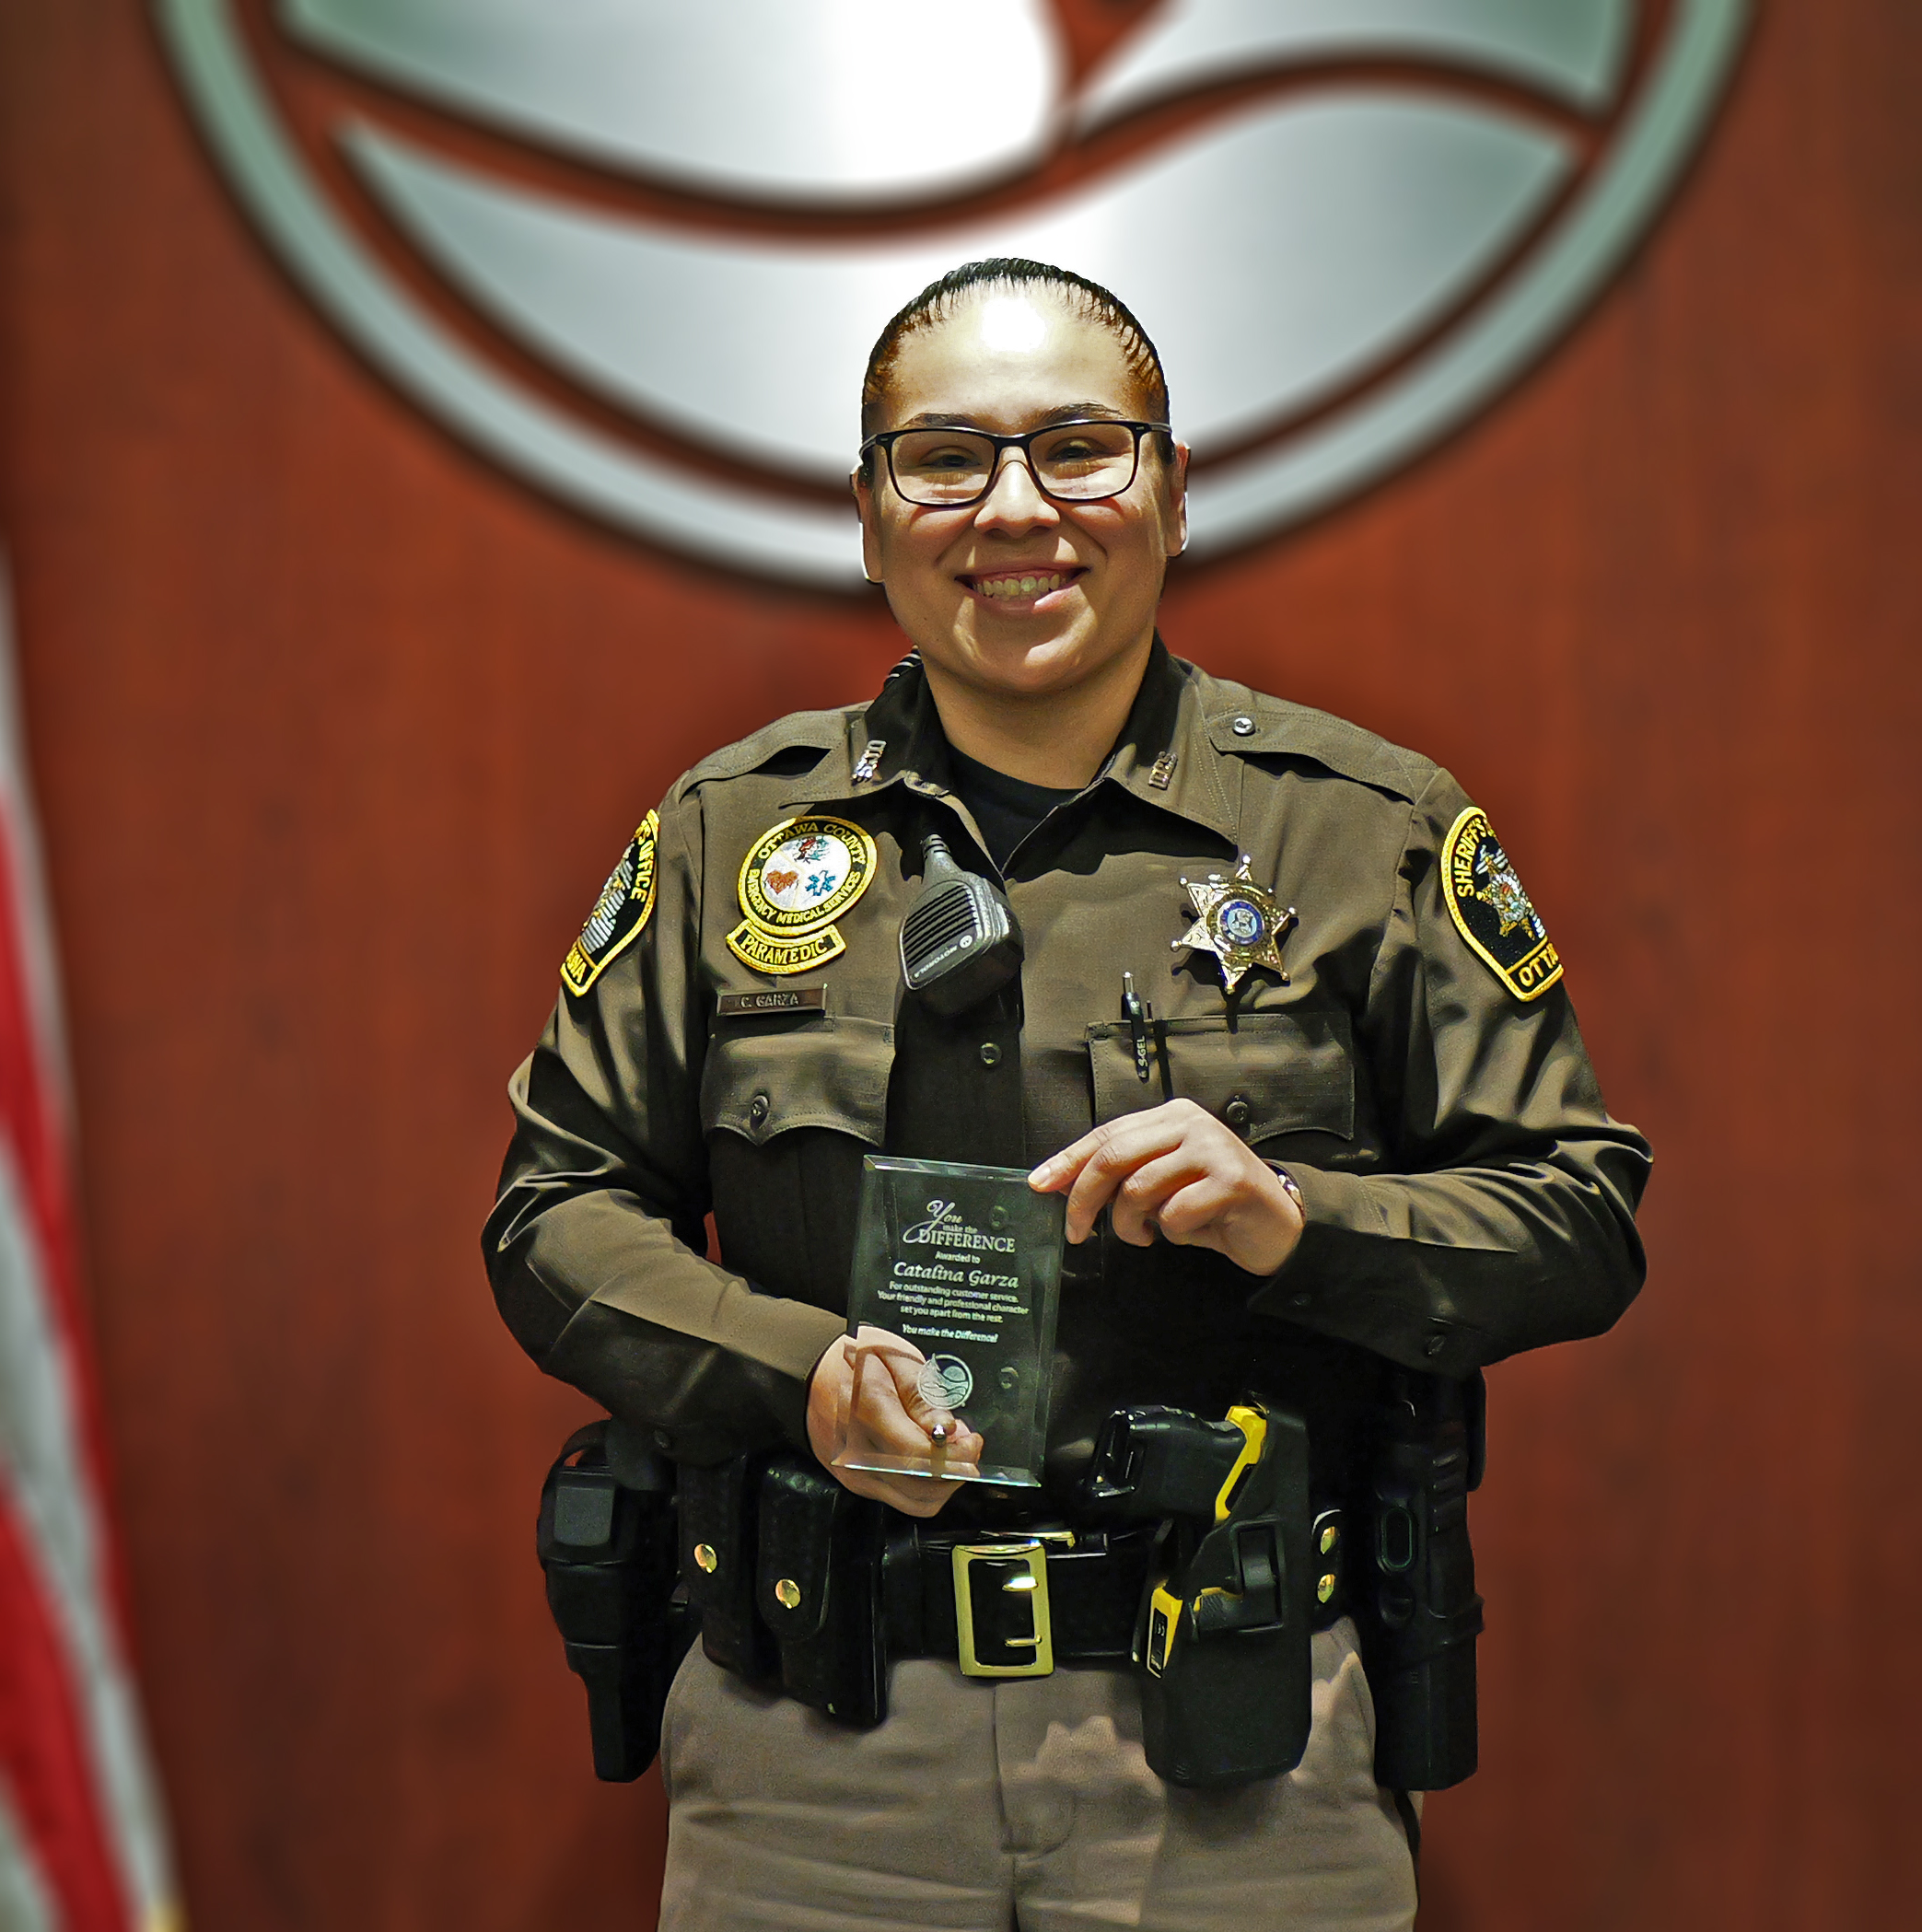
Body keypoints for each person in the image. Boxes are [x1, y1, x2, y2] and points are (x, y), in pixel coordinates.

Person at [483, 257, 1651, 1930]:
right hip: (818, 1762)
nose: (1015, 509)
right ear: (872, 512)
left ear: (1173, 495)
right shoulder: (734, 834)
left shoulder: (1357, 831)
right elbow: (554, 1211)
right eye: (945, 457)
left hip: (1231, 1755)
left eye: (1080, 449)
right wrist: (802, 1373)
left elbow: (1575, 1216)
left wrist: (1290, 1216)